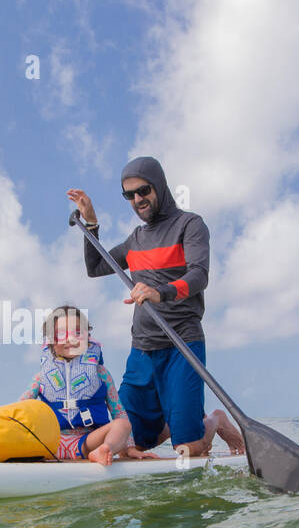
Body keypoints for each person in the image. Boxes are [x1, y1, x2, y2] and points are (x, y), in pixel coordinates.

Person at [67, 156, 244, 459]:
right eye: (129, 195)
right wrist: (92, 224)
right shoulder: (136, 240)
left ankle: (215, 420)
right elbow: (95, 266)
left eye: (143, 190)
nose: (137, 200)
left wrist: (159, 293)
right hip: (143, 349)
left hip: (182, 344)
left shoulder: (189, 225)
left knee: (191, 449)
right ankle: (175, 416)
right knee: (126, 442)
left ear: (159, 186)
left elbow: (199, 275)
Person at [18, 306, 143, 465]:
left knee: (123, 425)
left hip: (87, 443)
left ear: (88, 336)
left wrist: (130, 447)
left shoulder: (100, 373)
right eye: (62, 333)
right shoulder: (42, 377)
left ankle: (105, 449)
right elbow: (20, 409)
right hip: (50, 443)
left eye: (78, 332)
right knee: (20, 426)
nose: (71, 339)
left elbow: (118, 410)